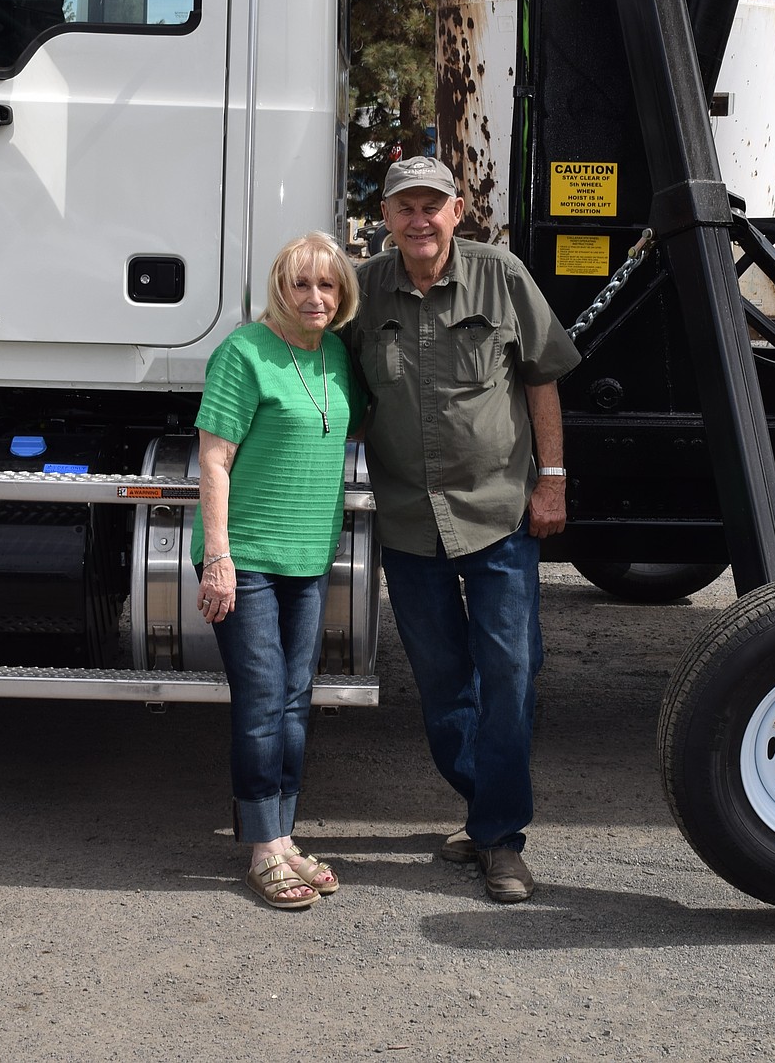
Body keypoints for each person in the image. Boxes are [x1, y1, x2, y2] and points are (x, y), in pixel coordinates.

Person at [346, 156, 580, 903]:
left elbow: (541, 375)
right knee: (443, 683)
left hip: (498, 512)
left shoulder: (501, 274)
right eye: (404, 207)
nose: (419, 220)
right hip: (410, 520)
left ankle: (502, 839)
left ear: (457, 211)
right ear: (386, 217)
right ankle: (483, 810)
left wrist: (552, 479)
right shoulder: (364, 288)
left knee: (509, 673)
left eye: (432, 206)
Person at [193, 231, 365, 910]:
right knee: (263, 702)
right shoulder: (243, 352)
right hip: (250, 559)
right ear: (279, 289)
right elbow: (213, 460)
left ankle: (285, 838)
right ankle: (263, 847)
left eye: (328, 285)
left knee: (297, 704)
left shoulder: (334, 356)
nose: (316, 297)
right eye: (302, 284)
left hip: (308, 559)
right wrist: (218, 559)